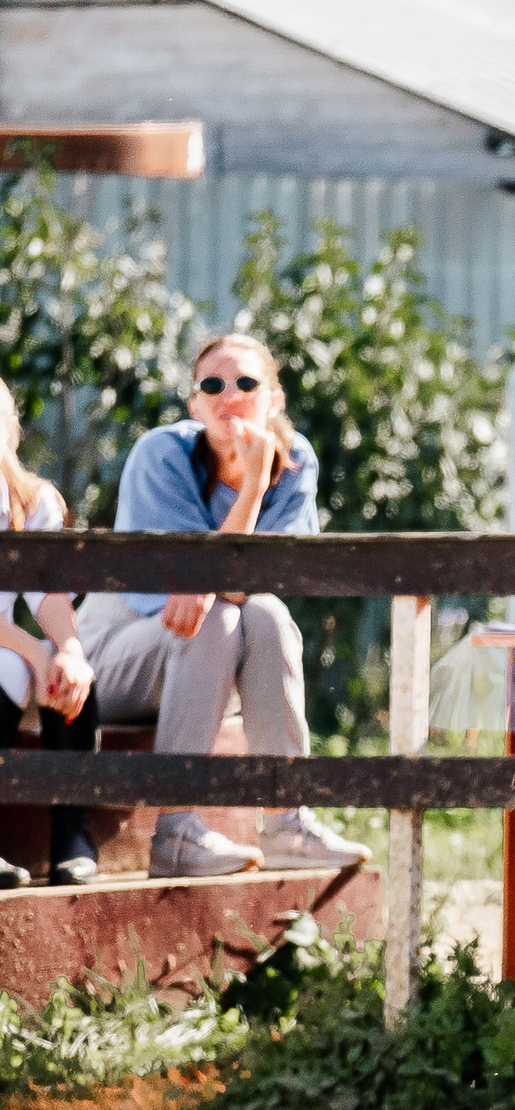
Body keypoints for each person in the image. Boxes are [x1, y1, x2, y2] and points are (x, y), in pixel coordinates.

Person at [76, 335, 369, 879]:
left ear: (274, 400)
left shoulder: (297, 459)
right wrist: (252, 488)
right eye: (212, 385)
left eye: (246, 384)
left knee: (267, 615)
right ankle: (177, 834)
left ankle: (287, 824)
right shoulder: (160, 456)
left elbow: (259, 583)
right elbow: (188, 604)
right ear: (194, 404)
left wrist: (257, 483)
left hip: (207, 662)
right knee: (219, 614)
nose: (228, 396)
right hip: (110, 664)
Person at [0, 378, 101, 889]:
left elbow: (47, 594)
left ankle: (72, 837)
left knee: (67, 670)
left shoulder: (31, 502)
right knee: (22, 662)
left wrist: (69, 651)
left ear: (11, 430)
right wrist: (34, 654)